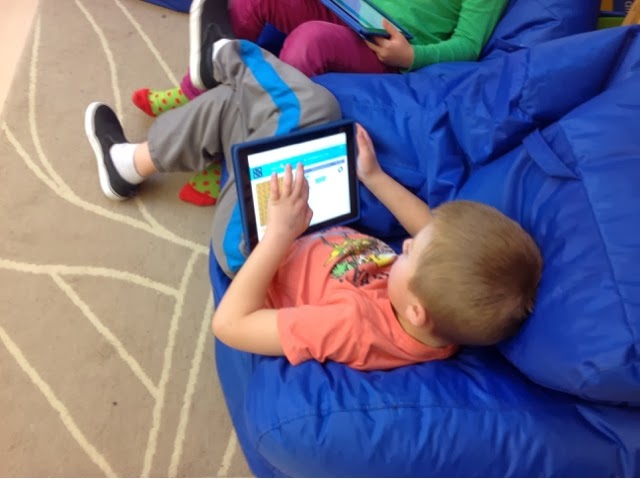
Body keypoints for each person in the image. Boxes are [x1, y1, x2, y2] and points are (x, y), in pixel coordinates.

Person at [86, 37, 542, 371]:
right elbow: (430, 232)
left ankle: (224, 53)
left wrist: (279, 234)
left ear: (417, 311)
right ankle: (129, 164)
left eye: (409, 253)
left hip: (253, 247)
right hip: (309, 223)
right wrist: (374, 177)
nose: (405, 243)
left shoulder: (352, 326)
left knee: (310, 107)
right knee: (240, 106)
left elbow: (231, 325)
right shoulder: (439, 317)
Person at [132, 0, 510, 117]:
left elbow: (468, 45)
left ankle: (231, 137)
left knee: (308, 42)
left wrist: (411, 56)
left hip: (386, 49)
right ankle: (194, 91)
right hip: (349, 9)